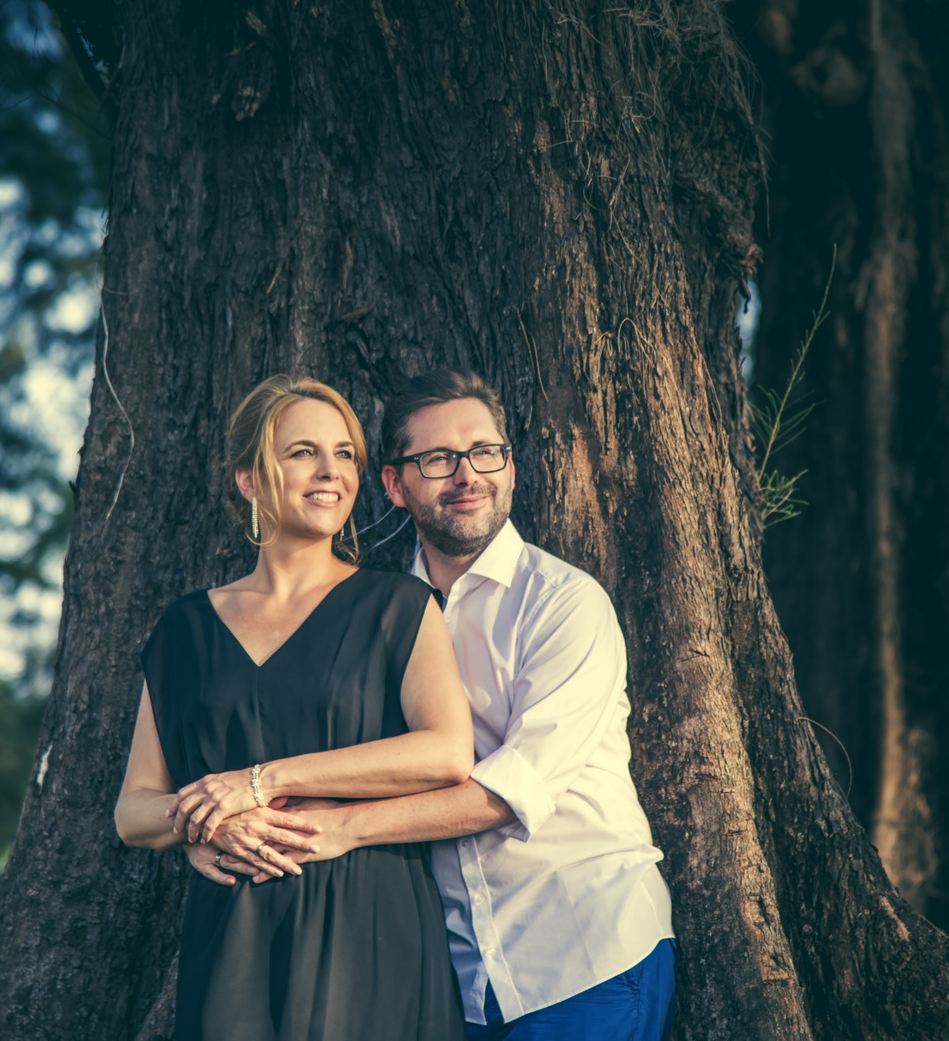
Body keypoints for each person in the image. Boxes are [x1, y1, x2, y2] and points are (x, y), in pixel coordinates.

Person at [193, 370, 677, 1041]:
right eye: (437, 460)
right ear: (395, 485)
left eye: (485, 452)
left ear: (508, 465)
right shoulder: (376, 616)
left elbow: (509, 791)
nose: (468, 474)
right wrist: (211, 830)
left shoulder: (564, 603)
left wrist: (344, 827)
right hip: (455, 980)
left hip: (583, 952)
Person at [115, 375, 472, 1041]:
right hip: (232, 939)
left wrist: (259, 781)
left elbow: (447, 753)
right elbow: (133, 809)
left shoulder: (397, 607)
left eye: (345, 455)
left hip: (372, 927)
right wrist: (205, 823)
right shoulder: (184, 631)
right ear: (251, 480)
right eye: (303, 452)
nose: (330, 471)